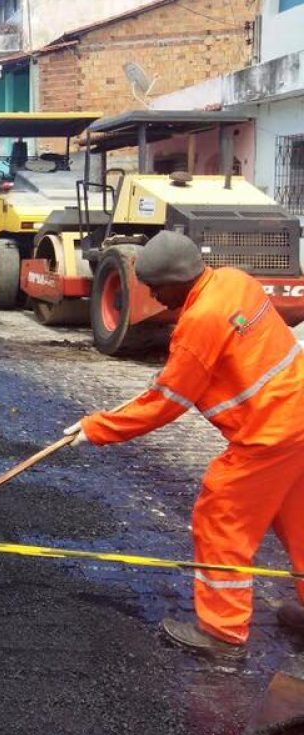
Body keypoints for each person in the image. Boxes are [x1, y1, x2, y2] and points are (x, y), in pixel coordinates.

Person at [64, 230, 304, 660]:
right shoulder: (235, 280)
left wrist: (96, 428)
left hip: (271, 431)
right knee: (298, 517)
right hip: (297, 415)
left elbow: (164, 404)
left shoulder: (199, 322)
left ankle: (223, 632)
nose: (155, 297)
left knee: (221, 515)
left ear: (180, 279)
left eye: (157, 288)